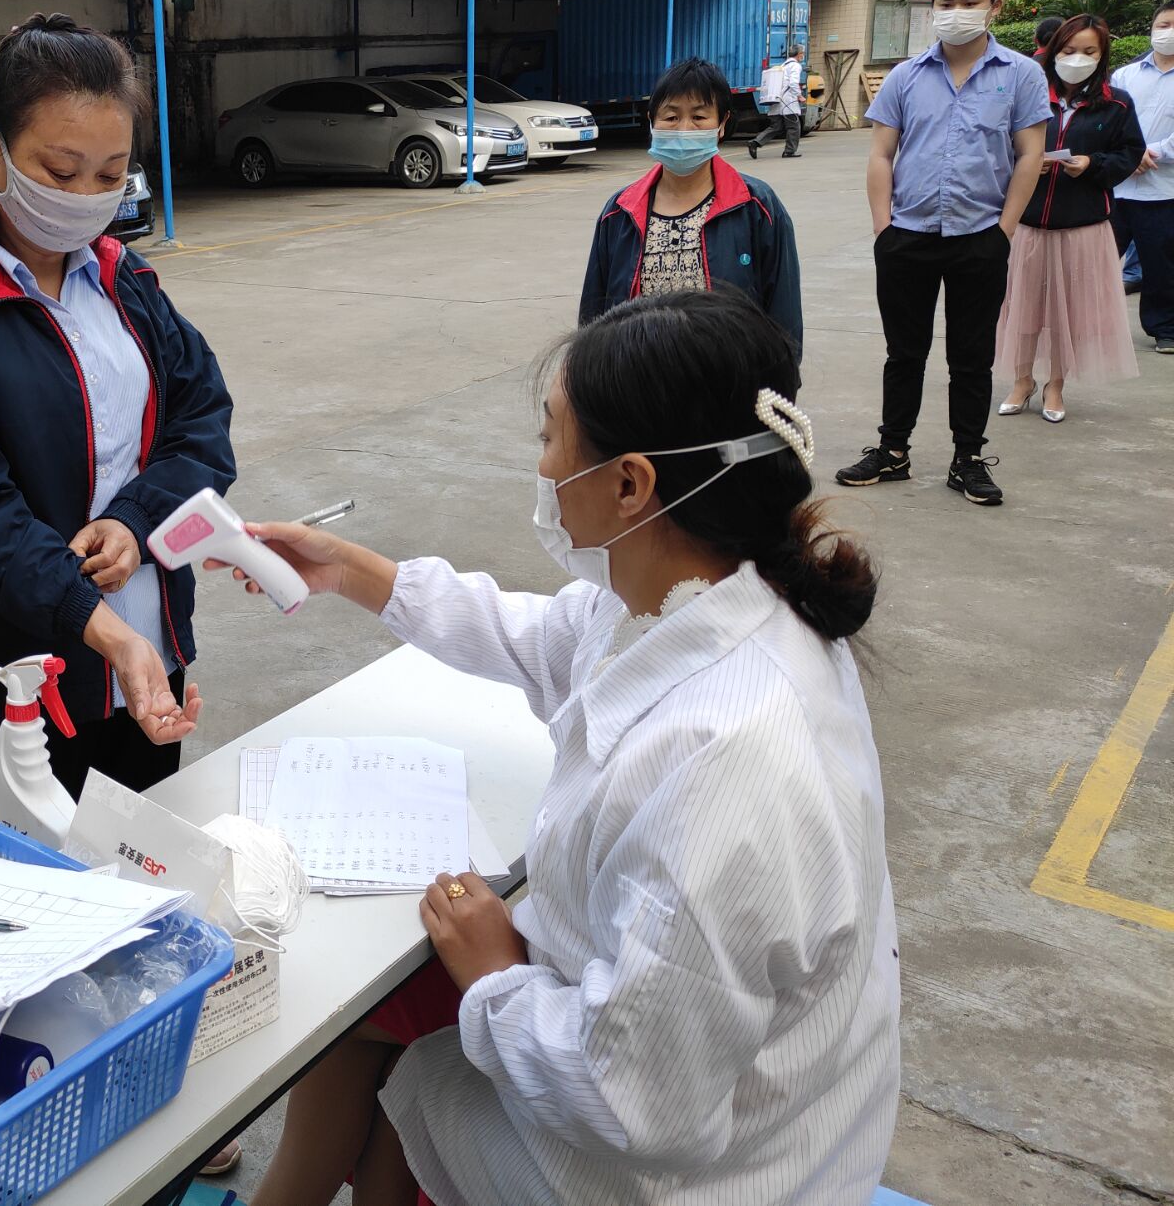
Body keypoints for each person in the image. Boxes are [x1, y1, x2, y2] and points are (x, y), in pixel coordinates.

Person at [231, 288, 898, 1206]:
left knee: (399, 1065)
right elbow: (541, 638)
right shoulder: (704, 598)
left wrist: (498, 975)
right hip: (673, 1052)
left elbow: (637, 1104)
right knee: (369, 1023)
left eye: (551, 437)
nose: (541, 464)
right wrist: (349, 570)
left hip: (687, 1172)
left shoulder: (730, 763)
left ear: (630, 484)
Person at [0, 13, 236, 816]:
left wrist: (136, 521)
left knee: (143, 859)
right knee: (30, 875)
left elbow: (202, 422)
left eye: (111, 176)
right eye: (61, 171)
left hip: (146, 657)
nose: (84, 199)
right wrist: (96, 623)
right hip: (19, 676)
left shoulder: (127, 282)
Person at [834, 0, 1049, 507]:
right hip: (907, 235)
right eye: (947, 3)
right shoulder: (906, 76)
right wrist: (883, 229)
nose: (956, 13)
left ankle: (967, 459)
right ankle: (893, 451)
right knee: (904, 353)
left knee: (972, 357)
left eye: (970, 2)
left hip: (980, 236)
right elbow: (881, 154)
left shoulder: (1020, 75)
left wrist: (1004, 230)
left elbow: (1030, 155)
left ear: (995, 5)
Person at [580, 57, 803, 354]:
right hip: (635, 378)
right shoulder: (620, 212)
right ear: (652, 121)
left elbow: (784, 315)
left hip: (730, 380)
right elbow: (593, 317)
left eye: (699, 117)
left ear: (722, 124)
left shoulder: (757, 207)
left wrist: (778, 378)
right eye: (671, 117)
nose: (684, 129)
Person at [994, 14, 1143, 422]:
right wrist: (1028, 163)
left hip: (1082, 227)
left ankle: (1055, 385)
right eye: (1069, 50)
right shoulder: (1029, 95)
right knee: (1021, 308)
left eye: (1089, 51)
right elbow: (999, 145)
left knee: (1067, 315)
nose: (1078, 59)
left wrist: (1093, 164)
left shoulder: (1117, 103)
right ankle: (1022, 380)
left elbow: (1129, 154)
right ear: (1053, 51)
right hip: (1026, 223)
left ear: (1102, 54)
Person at [1108, 0, 1174, 353]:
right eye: (1163, 25)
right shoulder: (1125, 75)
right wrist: (1128, 155)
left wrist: (1150, 153)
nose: (1168, 32)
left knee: (1161, 266)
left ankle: (1164, 328)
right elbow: (1109, 121)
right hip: (1117, 188)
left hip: (1163, 190)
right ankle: (1089, 324)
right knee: (1098, 261)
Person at [748, 43, 805, 160]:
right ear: (799, 54)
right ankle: (789, 151)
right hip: (788, 103)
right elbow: (793, 83)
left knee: (776, 127)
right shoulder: (795, 66)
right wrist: (799, 96)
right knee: (793, 127)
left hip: (776, 101)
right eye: (802, 53)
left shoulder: (782, 66)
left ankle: (755, 142)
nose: (803, 56)